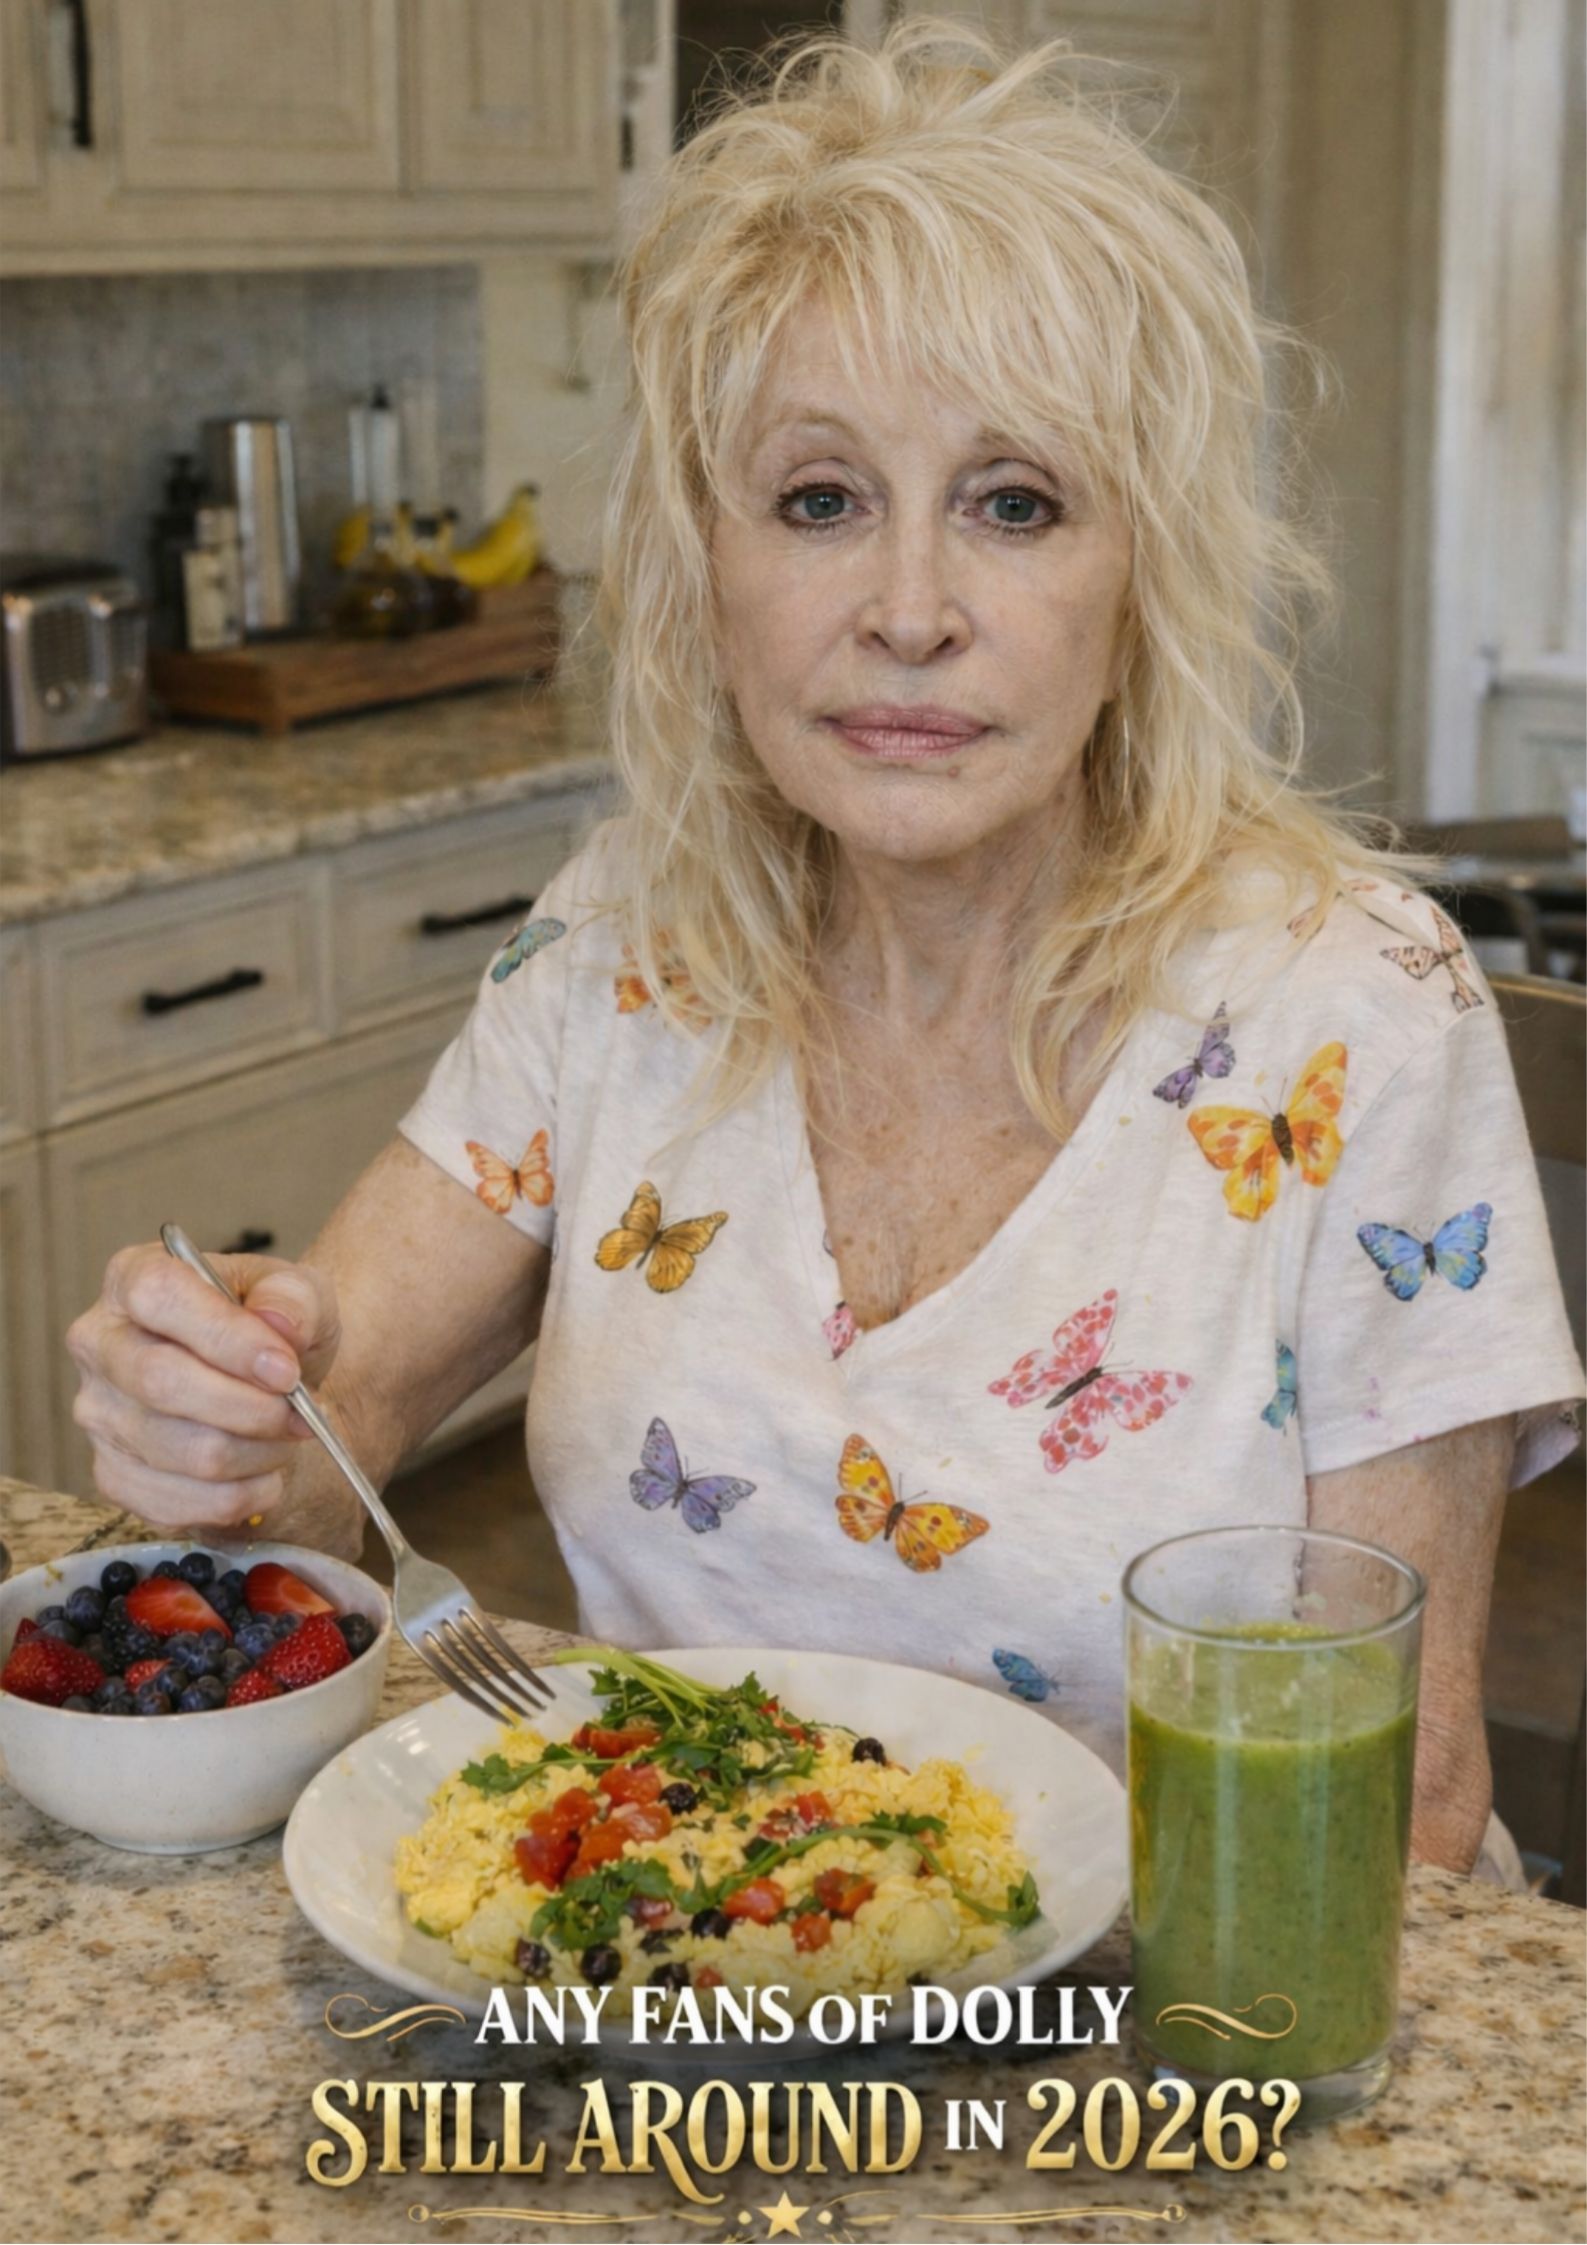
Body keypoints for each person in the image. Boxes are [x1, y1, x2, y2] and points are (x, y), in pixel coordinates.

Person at [67, 18, 1584, 1878]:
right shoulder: (623, 940)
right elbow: (333, 1431)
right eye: (820, 500)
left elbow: (1399, 1818)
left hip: (1186, 1996)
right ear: (707, 568)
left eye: (1015, 503)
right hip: (691, 1957)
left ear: (1144, 572)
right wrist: (225, 1416)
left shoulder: (1360, 1014)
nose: (911, 609)